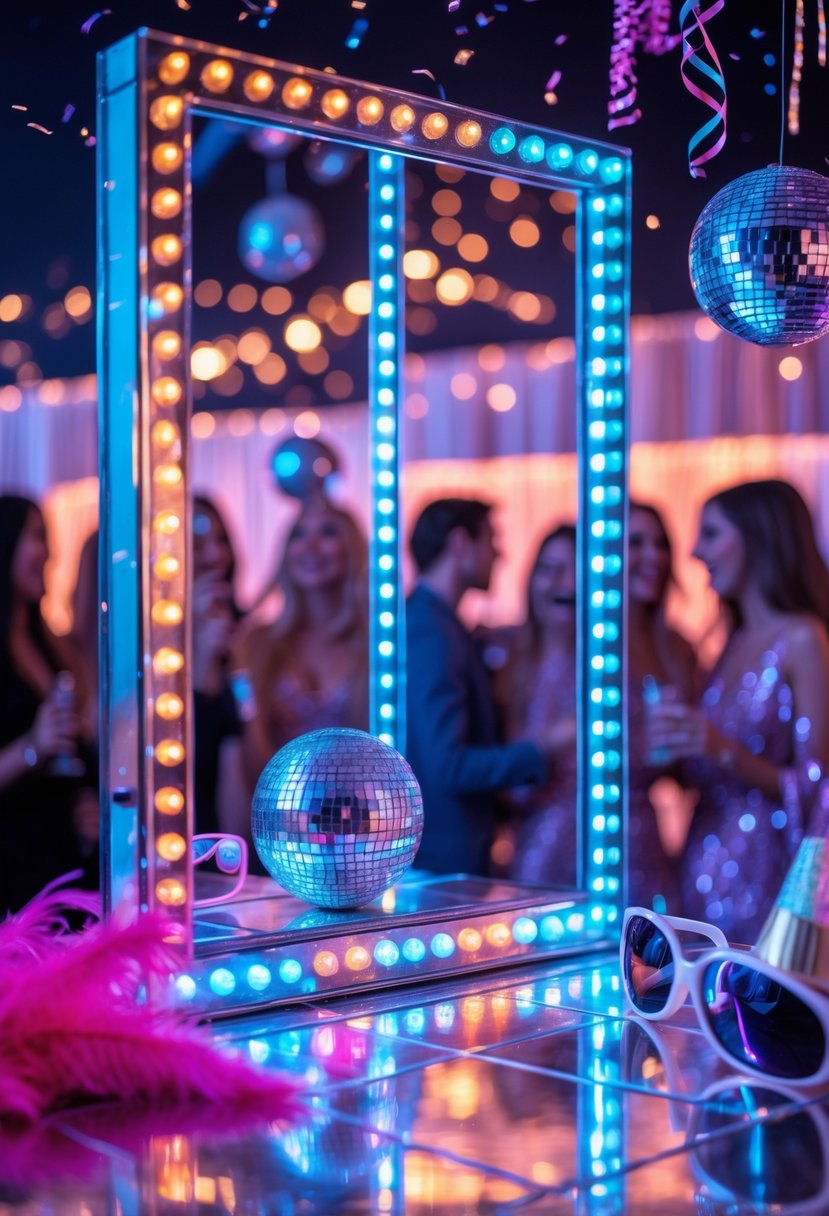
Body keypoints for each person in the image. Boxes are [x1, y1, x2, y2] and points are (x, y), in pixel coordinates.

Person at [646, 479, 829, 940]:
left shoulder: (802, 638)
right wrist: (672, 752)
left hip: (766, 874)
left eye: (709, 534)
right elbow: (710, 772)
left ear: (758, 537)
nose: (693, 552)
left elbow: (816, 784)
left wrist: (720, 748)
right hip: (701, 862)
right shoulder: (733, 641)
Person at [405, 498, 550, 877]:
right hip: (443, 860)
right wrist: (544, 746)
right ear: (460, 543)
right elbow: (448, 766)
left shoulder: (439, 624)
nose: (500, 555)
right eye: (492, 540)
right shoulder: (431, 632)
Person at [0, 495, 99, 911]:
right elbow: (40, 746)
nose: (49, 553)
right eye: (37, 536)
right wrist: (31, 749)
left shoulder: (52, 645)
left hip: (64, 865)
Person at [239, 501, 369, 785]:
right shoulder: (257, 643)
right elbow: (244, 731)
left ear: (353, 549)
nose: (310, 546)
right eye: (298, 535)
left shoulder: (375, 645)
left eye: (327, 533)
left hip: (364, 814)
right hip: (275, 811)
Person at [492, 524, 579, 884]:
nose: (564, 581)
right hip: (533, 846)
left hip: (615, 847)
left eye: (576, 568)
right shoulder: (504, 656)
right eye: (549, 568)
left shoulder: (616, 664)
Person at [627, 501, 698, 910]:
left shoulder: (676, 647)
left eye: (660, 544)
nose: (653, 556)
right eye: (636, 543)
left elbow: (686, 767)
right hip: (570, 829)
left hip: (647, 837)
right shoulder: (579, 640)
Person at [191, 495, 247, 838]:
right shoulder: (140, 647)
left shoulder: (245, 635)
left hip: (238, 842)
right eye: (197, 545)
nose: (216, 556)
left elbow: (247, 719)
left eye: (221, 540)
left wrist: (239, 665)